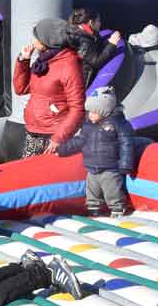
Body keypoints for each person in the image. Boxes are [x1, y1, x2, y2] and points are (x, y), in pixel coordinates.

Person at [56, 86, 136, 218]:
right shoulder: (88, 125)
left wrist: (126, 164)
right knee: (92, 190)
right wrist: (63, 149)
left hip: (110, 167)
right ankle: (93, 208)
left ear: (105, 111)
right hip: (91, 166)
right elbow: (80, 140)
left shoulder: (118, 124)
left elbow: (126, 143)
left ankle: (117, 207)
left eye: (94, 112)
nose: (90, 115)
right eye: (89, 112)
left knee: (112, 188)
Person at [12, 18, 86, 158]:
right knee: (29, 171)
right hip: (33, 130)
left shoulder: (69, 65)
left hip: (54, 135)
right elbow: (21, 89)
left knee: (49, 171)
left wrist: (59, 138)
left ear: (47, 40)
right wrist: (23, 61)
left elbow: (77, 108)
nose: (34, 41)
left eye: (37, 37)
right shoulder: (43, 61)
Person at [64, 7, 123, 88]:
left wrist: (107, 42)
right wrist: (112, 44)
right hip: (78, 84)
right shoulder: (83, 40)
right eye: (98, 21)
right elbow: (96, 62)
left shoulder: (80, 31)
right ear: (91, 22)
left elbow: (92, 49)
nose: (100, 24)